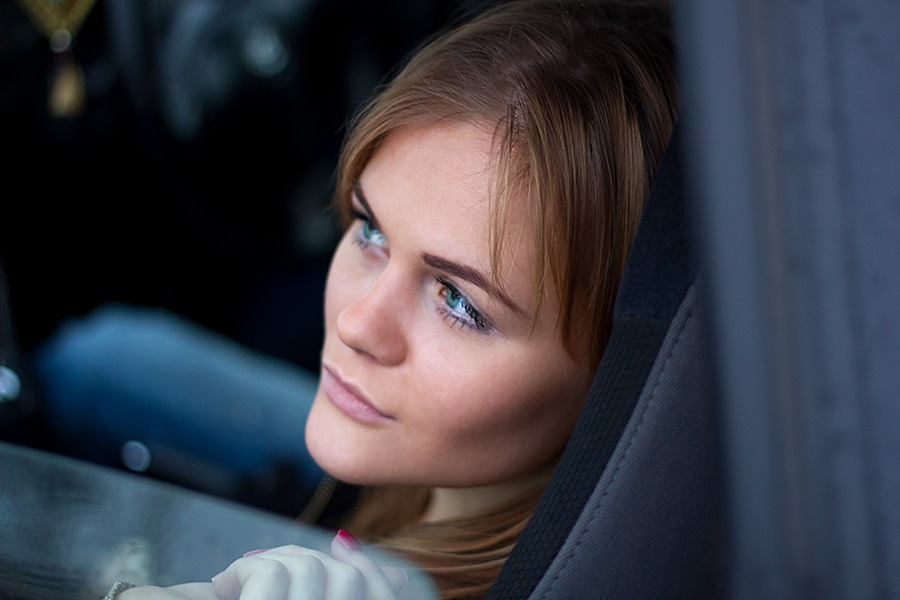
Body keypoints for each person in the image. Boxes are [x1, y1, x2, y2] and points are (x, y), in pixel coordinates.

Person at [106, 0, 680, 597]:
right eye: (371, 231)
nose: (356, 325)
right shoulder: (425, 478)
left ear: (615, 376)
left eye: (460, 303)